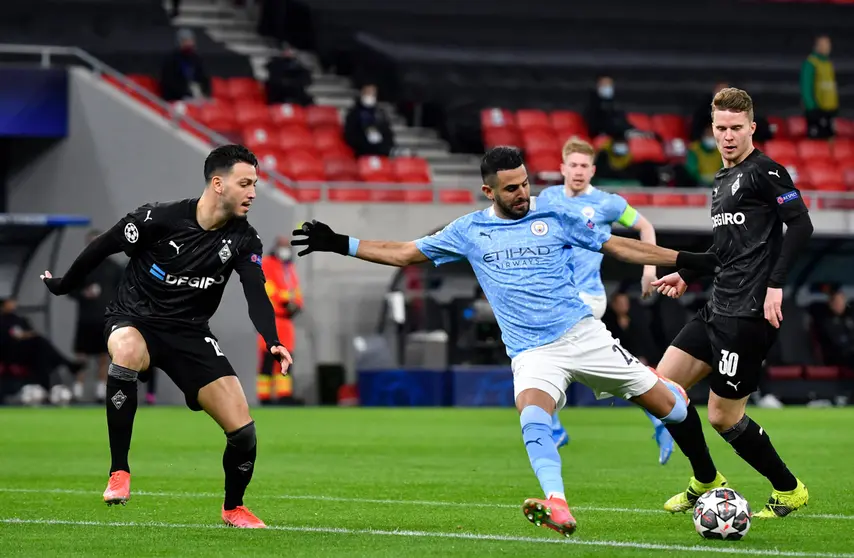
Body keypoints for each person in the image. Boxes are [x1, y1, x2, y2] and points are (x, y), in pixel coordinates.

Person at [291, 146, 720, 537]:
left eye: (525, 183)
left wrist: (689, 260)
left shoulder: (555, 216)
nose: (522, 193)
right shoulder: (469, 230)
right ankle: (557, 503)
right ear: (488, 190)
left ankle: (706, 477)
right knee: (532, 416)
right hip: (532, 352)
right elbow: (404, 252)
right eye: (511, 188)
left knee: (673, 407)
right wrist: (340, 243)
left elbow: (619, 247)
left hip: (582, 334)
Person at [40, 145, 292, 528]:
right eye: (245, 183)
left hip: (189, 332)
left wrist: (272, 339)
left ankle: (233, 507)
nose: (253, 192)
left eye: (255, 184)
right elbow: (101, 247)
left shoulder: (243, 239)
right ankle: (119, 471)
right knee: (124, 350)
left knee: (243, 432)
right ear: (218, 184)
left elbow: (255, 291)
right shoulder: (157, 218)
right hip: (134, 318)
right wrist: (63, 285)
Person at [653, 88, 813, 519]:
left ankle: (789, 489)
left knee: (723, 417)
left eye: (736, 128)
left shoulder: (766, 171)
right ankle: (705, 479)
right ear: (712, 129)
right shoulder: (722, 179)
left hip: (748, 314)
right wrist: (687, 272)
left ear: (752, 128)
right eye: (721, 128)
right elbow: (729, 248)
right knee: (661, 387)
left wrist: (776, 285)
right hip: (716, 306)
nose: (727, 136)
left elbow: (801, 225)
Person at [537, 137, 674, 463]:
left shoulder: (607, 203)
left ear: (593, 170)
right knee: (577, 364)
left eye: (585, 166)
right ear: (562, 168)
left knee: (543, 353)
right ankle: (660, 411)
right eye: (573, 165)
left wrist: (648, 268)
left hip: (587, 296)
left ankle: (554, 426)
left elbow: (645, 226)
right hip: (556, 296)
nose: (579, 171)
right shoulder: (547, 198)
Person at [70, 229, 123, 403]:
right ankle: (77, 392)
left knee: (103, 357)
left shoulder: (114, 268)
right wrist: (83, 293)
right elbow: (69, 289)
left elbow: (122, 290)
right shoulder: (81, 266)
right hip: (85, 320)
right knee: (81, 357)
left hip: (105, 319)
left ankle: (101, 392)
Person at [257, 236, 302, 405]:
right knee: (268, 359)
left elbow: (296, 291)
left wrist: (296, 304)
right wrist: (285, 300)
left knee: (287, 360)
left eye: (287, 246)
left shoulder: (289, 267)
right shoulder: (267, 263)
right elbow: (268, 288)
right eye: (282, 246)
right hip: (272, 319)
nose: (285, 250)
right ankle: (265, 398)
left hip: (286, 321)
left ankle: (284, 396)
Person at [800, 35, 838, 139]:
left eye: (828, 44)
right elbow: (806, 87)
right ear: (817, 46)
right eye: (824, 45)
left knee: (830, 139)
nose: (827, 47)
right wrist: (812, 108)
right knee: (817, 142)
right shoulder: (810, 63)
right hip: (816, 110)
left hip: (829, 110)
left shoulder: (828, 63)